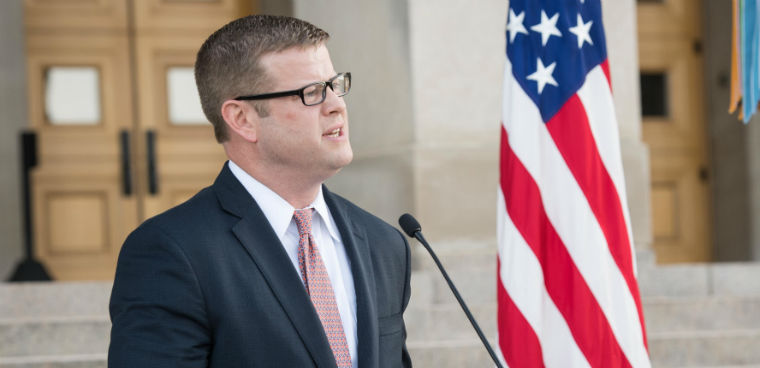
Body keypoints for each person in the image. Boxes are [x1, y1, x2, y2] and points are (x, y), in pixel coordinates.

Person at [108, 15, 413, 368]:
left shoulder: (384, 244)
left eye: (335, 85)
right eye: (311, 93)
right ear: (241, 119)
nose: (336, 105)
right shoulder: (172, 252)